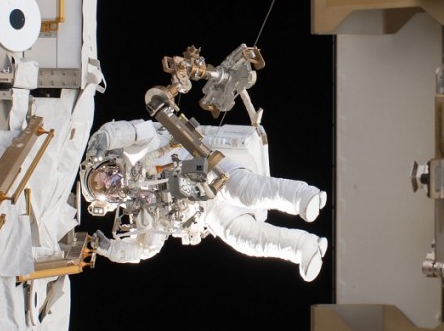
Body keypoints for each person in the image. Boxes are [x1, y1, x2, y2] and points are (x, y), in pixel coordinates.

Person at [80, 117, 327, 281]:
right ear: (108, 201)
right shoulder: (136, 209)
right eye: (102, 189)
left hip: (202, 168)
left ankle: (304, 197)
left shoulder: (137, 148)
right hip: (205, 211)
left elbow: (130, 130)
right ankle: (304, 247)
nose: (109, 183)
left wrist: (103, 138)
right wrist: (111, 249)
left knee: (245, 190)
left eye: (102, 176)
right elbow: (144, 249)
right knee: (244, 240)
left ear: (107, 162)